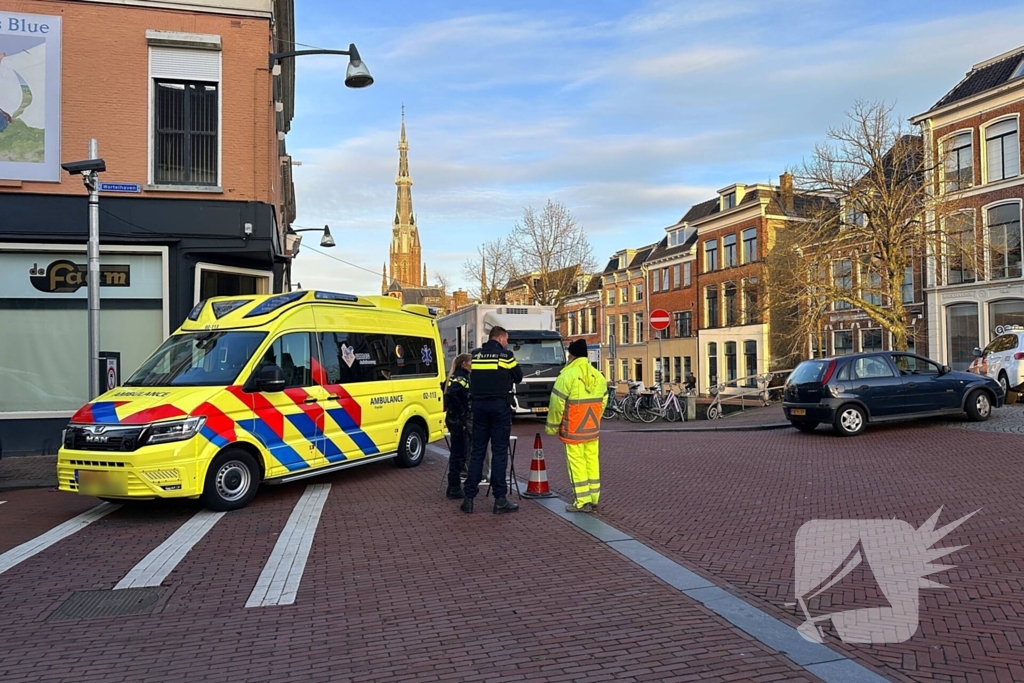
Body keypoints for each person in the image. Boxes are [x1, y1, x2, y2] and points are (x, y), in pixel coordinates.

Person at [461, 326, 523, 514]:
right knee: (499, 453)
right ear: (501, 338)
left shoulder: (476, 355)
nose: (507, 343)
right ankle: (500, 499)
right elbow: (518, 377)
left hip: (479, 408)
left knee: (477, 452)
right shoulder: (506, 356)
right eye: (506, 340)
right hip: (499, 408)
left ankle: (468, 499)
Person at [546, 339, 608, 513]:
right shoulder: (598, 375)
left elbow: (556, 404)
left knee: (576, 463)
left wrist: (552, 427)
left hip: (573, 428)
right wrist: (595, 419)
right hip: (591, 427)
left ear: (571, 356)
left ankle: (581, 501)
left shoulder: (567, 375)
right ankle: (594, 497)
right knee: (592, 461)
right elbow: (603, 401)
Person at [443, 354, 472, 499]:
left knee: (457, 452)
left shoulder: (454, 376)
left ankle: (452, 486)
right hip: (457, 419)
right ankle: (454, 487)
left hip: (452, 417)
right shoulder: (461, 377)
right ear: (464, 363)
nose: (472, 365)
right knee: (460, 454)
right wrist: (462, 411)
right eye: (471, 362)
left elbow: (444, 387)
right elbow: (452, 393)